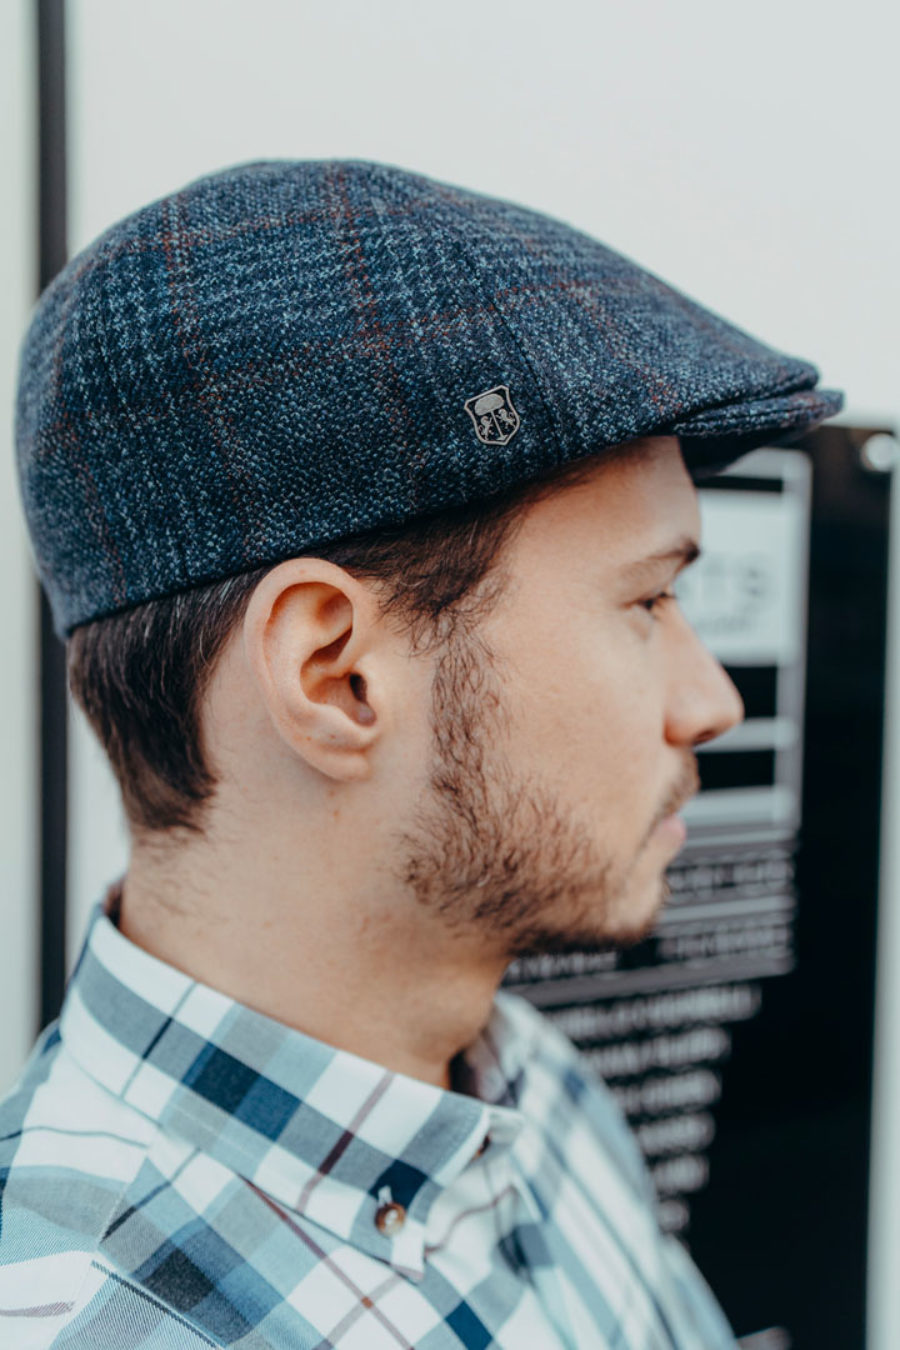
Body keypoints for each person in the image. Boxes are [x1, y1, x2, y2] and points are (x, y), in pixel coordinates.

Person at [1, 159, 843, 1348]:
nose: (708, 702)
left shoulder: (523, 1081)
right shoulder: (85, 1319)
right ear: (336, 676)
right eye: (646, 604)